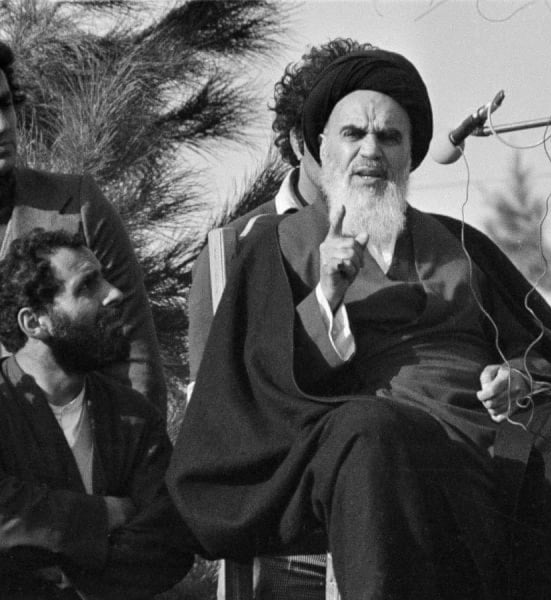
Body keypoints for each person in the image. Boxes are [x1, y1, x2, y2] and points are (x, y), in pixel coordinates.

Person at [168, 48, 551, 599]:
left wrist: (518, 378)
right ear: (320, 148)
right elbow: (255, 387)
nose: (371, 149)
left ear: (409, 155)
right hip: (382, 444)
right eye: (353, 134)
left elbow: (550, 353)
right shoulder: (277, 246)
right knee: (374, 431)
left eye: (389, 137)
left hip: (491, 438)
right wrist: (327, 295)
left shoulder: (460, 242)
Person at [187, 38, 376, 600]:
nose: (363, 152)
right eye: (342, 132)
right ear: (300, 140)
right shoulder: (236, 248)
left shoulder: (409, 234)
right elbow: (216, 411)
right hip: (285, 541)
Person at [0, 228, 192, 599]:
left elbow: (168, 543)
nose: (114, 293)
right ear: (34, 322)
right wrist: (104, 515)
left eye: (105, 279)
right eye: (87, 286)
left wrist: (55, 567)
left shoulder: (133, 416)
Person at [0, 38, 165, 412]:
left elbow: (136, 359)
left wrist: (133, 444)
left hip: (80, 441)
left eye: (4, 104)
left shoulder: (78, 205)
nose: (0, 125)